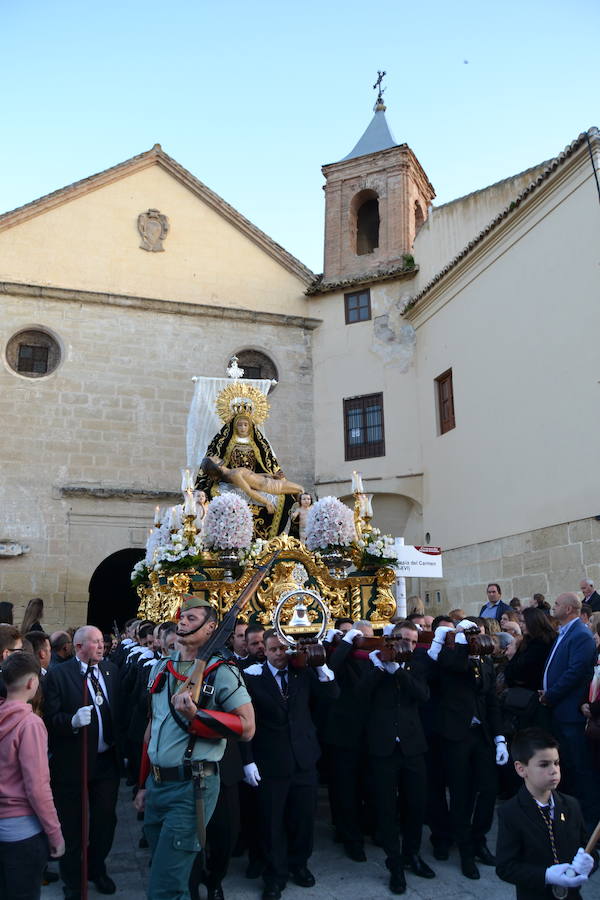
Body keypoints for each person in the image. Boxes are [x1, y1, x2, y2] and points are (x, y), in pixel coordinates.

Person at [136, 595, 254, 900]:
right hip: (158, 783)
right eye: (182, 617)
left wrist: (198, 716)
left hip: (193, 785)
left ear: (211, 628)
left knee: (165, 887)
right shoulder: (161, 667)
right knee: (170, 872)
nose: (183, 622)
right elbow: (153, 729)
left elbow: (247, 726)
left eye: (191, 619)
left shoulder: (221, 671)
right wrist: (143, 784)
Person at [241, 629, 338, 900]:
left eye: (283, 649)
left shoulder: (303, 673)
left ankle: (300, 865)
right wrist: (247, 761)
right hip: (270, 762)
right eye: (273, 650)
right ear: (265, 651)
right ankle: (274, 875)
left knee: (303, 819)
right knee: (272, 823)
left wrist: (321, 667)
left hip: (304, 760)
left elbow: (332, 695)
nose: (279, 654)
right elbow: (246, 721)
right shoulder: (253, 678)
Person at [43, 625, 121, 898]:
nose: (102, 646)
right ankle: (73, 881)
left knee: (105, 821)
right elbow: (50, 720)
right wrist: (72, 722)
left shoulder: (111, 672)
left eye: (103, 642)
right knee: (73, 825)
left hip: (106, 763)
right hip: (73, 764)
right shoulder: (58, 676)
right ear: (78, 647)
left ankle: (96, 868)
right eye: (96, 642)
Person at [427, 620, 508, 879]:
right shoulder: (450, 657)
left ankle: (478, 839)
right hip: (456, 736)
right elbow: (454, 669)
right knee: (462, 794)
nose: (475, 639)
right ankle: (464, 850)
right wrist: (460, 643)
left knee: (488, 789)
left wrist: (499, 738)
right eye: (469, 634)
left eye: (477, 634)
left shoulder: (485, 660)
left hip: (481, 734)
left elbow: (490, 700)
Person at [358, 621, 435, 894]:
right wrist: (381, 670)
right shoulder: (374, 662)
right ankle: (395, 864)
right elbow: (360, 695)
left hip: (413, 747)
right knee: (387, 808)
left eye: (414, 642)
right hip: (383, 748)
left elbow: (423, 695)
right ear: (392, 640)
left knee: (416, 805)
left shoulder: (418, 665)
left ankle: (412, 854)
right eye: (404, 640)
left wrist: (400, 672)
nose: (409, 646)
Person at [496, 728, 597, 899]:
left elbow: (588, 849)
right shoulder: (511, 813)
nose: (554, 770)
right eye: (544, 764)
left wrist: (590, 863)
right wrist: (546, 875)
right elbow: (506, 867)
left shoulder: (571, 805)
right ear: (521, 769)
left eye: (556, 763)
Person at [0, 652, 64, 900]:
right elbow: (37, 787)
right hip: (22, 832)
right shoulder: (30, 724)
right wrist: (55, 834)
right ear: (31, 683)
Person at [540, 593, 598, 830]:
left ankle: (589, 827)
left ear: (570, 609)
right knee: (569, 771)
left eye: (556, 604)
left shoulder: (580, 635)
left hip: (571, 715)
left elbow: (575, 672)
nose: (553, 607)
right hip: (559, 712)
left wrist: (550, 693)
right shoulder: (564, 632)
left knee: (580, 770)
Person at [196, 409, 293, 539]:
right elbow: (216, 466)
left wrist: (271, 476)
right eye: (240, 425)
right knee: (215, 495)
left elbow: (263, 466)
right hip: (231, 483)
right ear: (235, 426)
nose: (242, 428)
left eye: (245, 425)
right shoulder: (225, 443)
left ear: (250, 426)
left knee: (282, 497)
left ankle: (267, 539)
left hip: (253, 481)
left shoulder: (258, 445)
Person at [201, 456, 304, 516]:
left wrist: (271, 475)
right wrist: (267, 502)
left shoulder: (232, 472)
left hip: (269, 481)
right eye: (213, 458)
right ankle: (300, 515)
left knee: (298, 492)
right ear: (216, 466)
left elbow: (252, 475)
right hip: (271, 486)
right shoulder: (233, 475)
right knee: (300, 489)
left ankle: (299, 513)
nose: (215, 456)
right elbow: (248, 491)